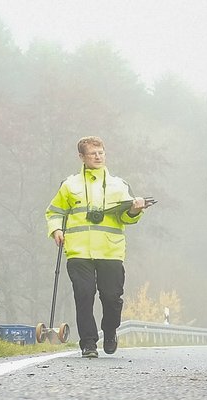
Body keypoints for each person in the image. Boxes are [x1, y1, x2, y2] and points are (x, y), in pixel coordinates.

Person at [44, 137, 148, 358]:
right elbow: (54, 211)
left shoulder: (119, 185)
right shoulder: (69, 185)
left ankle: (110, 331)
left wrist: (135, 210)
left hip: (111, 251)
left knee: (111, 297)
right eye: (93, 153)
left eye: (101, 152)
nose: (98, 156)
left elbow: (127, 219)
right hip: (78, 251)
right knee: (84, 295)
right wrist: (56, 230)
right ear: (81, 157)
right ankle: (88, 343)